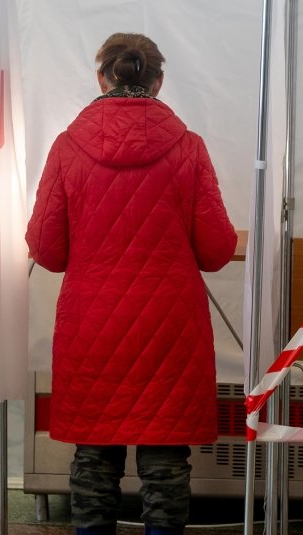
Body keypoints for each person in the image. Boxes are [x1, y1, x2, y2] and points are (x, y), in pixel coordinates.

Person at [26, 33, 237, 535]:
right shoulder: (188, 147)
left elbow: (48, 251)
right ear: (159, 82)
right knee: (165, 456)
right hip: (169, 324)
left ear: (101, 76)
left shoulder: (67, 146)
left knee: (94, 452)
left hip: (92, 324)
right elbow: (216, 250)